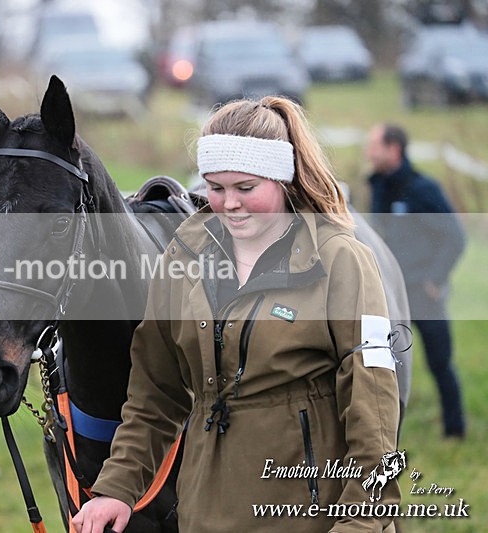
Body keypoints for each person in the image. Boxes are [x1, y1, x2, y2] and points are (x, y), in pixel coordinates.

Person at [72, 97, 401, 532]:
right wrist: (116, 488)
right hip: (204, 513)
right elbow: (155, 394)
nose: (229, 204)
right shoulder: (183, 258)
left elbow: (372, 406)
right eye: (215, 186)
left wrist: (363, 520)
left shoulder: (340, 260)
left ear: (282, 178)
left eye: (246, 188)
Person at [365, 123, 466, 439]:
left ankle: (455, 431)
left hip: (424, 293)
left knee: (440, 363)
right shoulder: (379, 187)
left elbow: (455, 237)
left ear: (394, 149)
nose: (368, 152)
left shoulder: (423, 189)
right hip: (391, 295)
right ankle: (384, 433)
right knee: (385, 366)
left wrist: (434, 279)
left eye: (374, 146)